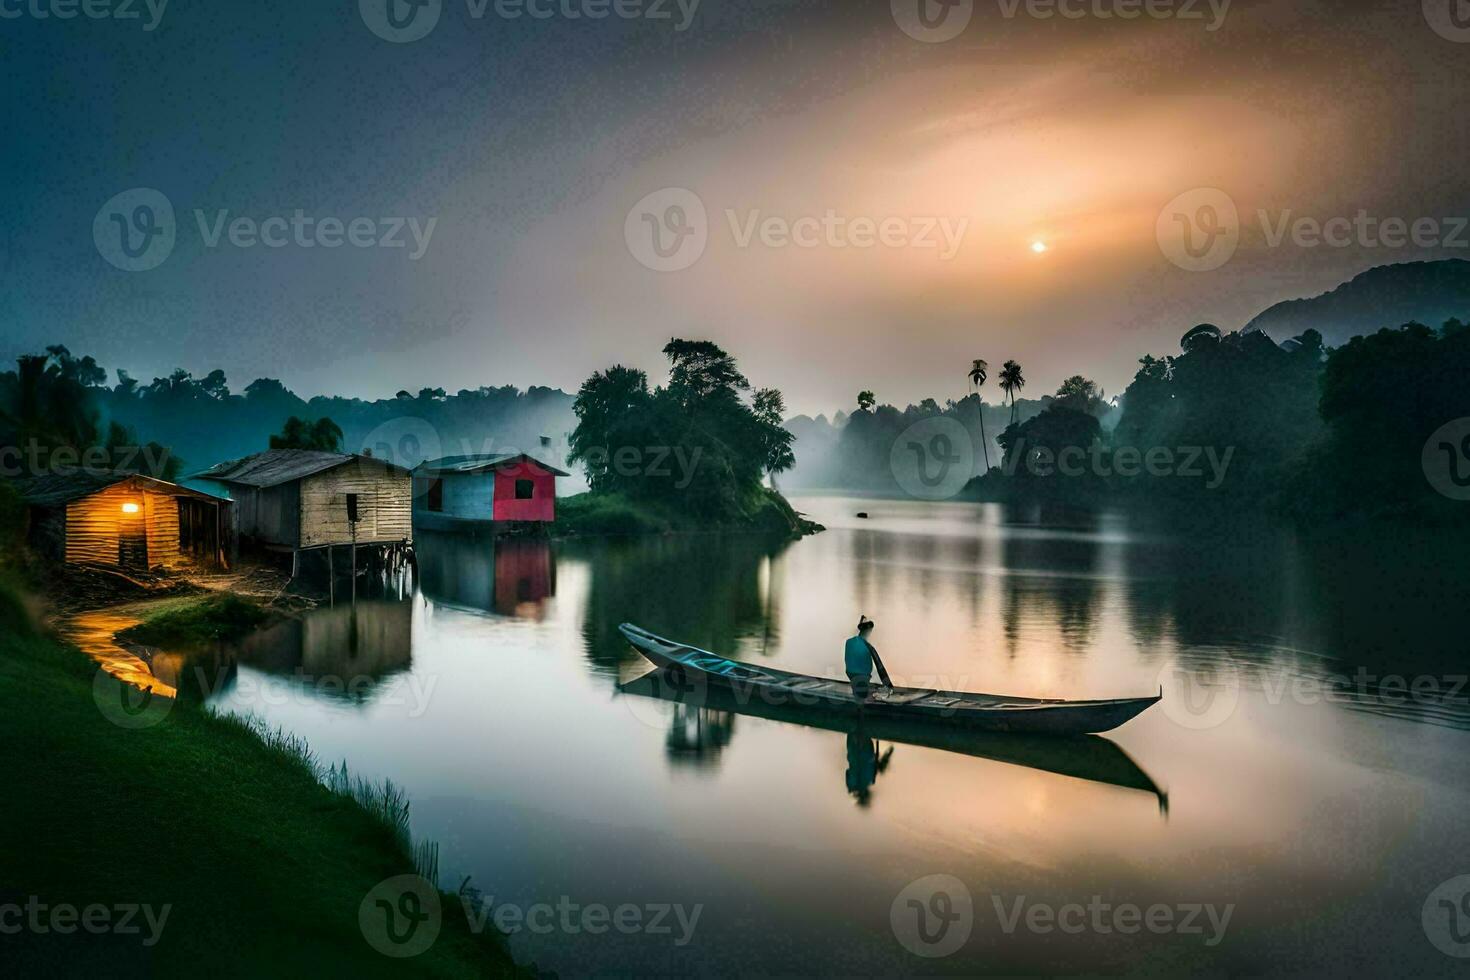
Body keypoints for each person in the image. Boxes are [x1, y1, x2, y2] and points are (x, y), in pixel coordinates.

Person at [844, 615, 879, 700]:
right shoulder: (868, 646)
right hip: (862, 677)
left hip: (851, 674)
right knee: (861, 699)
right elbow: (879, 666)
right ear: (869, 631)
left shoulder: (849, 641)